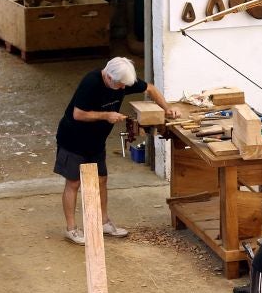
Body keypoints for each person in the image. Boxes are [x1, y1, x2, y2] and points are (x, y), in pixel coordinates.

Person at [54, 57, 180, 245]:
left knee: (102, 180)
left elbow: (150, 88)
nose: (123, 89)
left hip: (96, 141)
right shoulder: (91, 83)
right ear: (109, 77)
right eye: (120, 85)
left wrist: (167, 109)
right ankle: (71, 229)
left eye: (125, 86)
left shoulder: (122, 79)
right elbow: (78, 114)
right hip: (73, 139)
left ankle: (104, 222)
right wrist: (107, 115)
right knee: (73, 183)